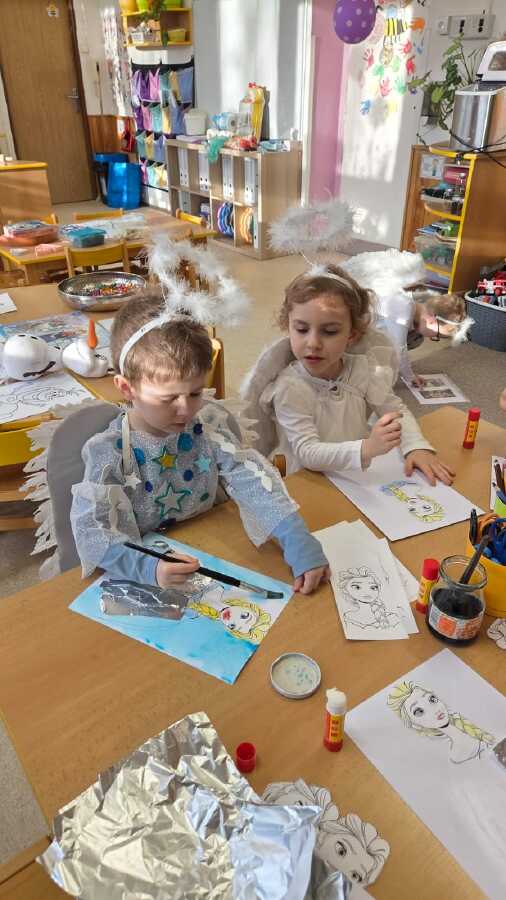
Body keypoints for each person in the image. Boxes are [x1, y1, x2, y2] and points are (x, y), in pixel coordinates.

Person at [70, 292, 329, 595]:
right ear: (127, 388)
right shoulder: (108, 452)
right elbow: (92, 533)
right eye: (168, 398)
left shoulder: (207, 427)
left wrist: (296, 538)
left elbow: (252, 481)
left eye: (195, 393)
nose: (186, 410)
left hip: (213, 544)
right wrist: (147, 567)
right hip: (147, 569)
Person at [242, 264, 454, 485]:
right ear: (288, 327)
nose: (313, 343)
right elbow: (307, 452)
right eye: (302, 329)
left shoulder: (362, 369)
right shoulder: (289, 387)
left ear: (352, 335)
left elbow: (395, 410)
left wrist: (416, 446)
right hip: (307, 481)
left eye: (330, 331)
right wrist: (368, 448)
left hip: (353, 476)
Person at [341, 249, 470, 387]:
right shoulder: (403, 307)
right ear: (432, 319)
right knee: (398, 348)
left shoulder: (412, 306)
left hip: (367, 326)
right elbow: (399, 349)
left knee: (415, 339)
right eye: (436, 335)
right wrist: (409, 376)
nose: (431, 338)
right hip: (349, 326)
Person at [387, 681, 496, 764]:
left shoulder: (478, 720)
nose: (434, 709)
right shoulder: (458, 755)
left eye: (432, 699)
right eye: (419, 711)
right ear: (415, 725)